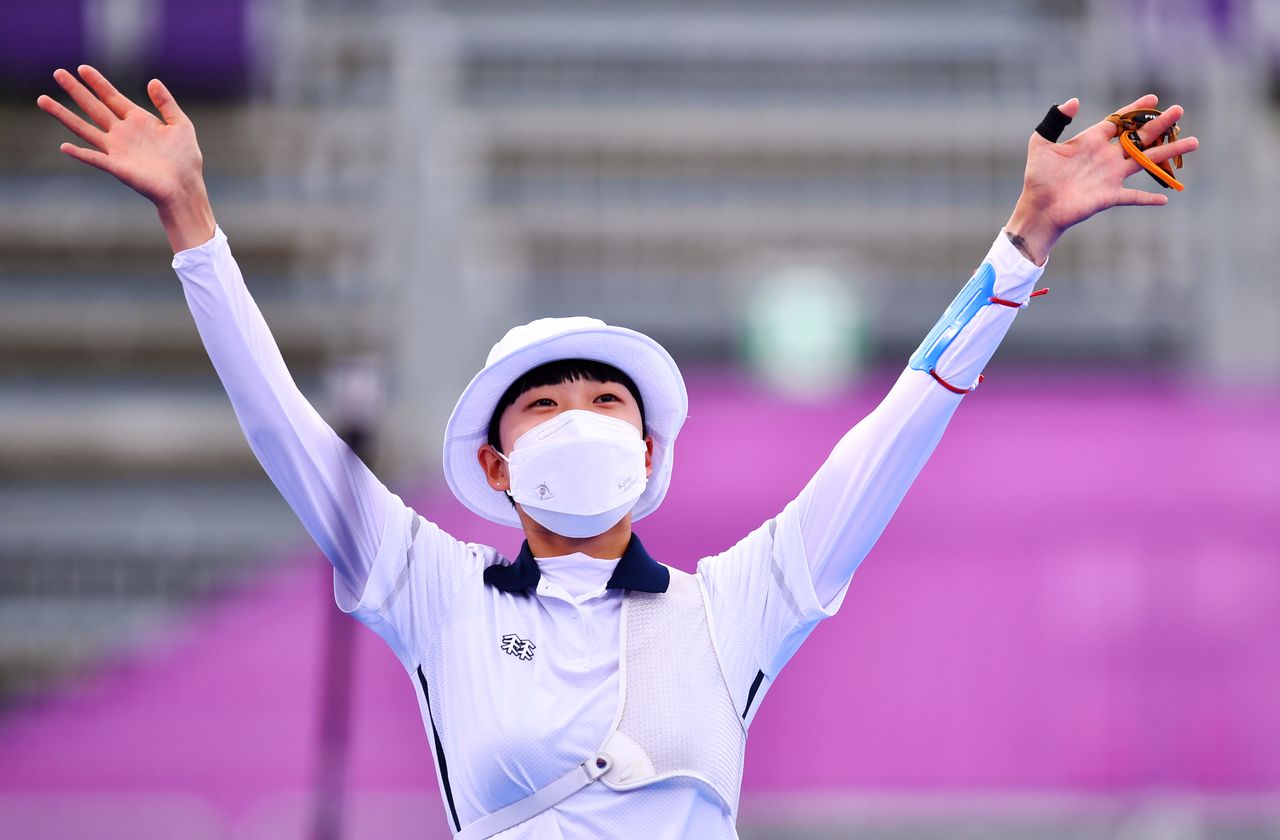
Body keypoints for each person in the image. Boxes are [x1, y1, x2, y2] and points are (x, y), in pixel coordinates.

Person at [38, 65, 1197, 839]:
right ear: (492, 464)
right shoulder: (429, 589)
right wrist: (193, 225)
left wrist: (1022, 242)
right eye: (546, 403)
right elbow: (280, 425)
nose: (582, 417)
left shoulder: (734, 606)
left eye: (608, 399)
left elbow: (901, 417)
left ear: (649, 453)